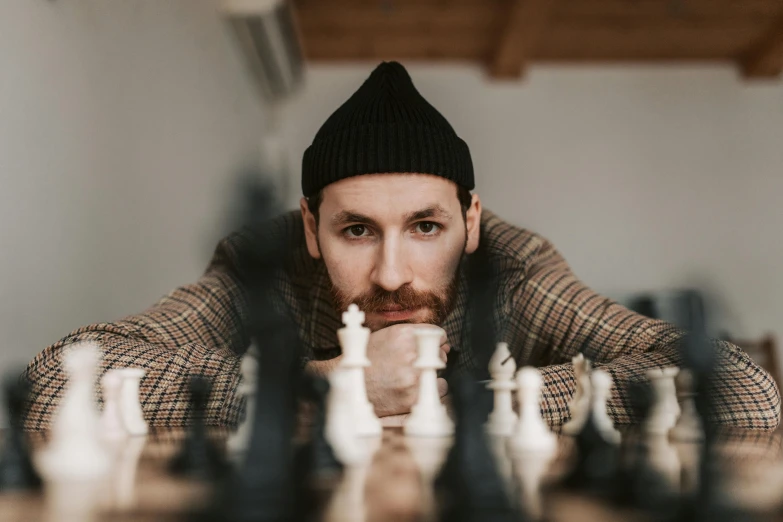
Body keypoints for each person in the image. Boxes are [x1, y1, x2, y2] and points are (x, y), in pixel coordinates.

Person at [24, 62, 780, 431]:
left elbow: (747, 391)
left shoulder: (512, 267)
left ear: (471, 221)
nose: (393, 275)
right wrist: (322, 391)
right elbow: (52, 382)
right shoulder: (262, 260)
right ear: (310, 227)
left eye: (426, 227)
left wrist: (474, 401)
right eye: (356, 230)